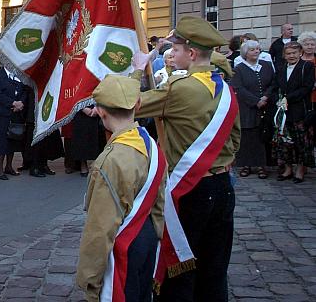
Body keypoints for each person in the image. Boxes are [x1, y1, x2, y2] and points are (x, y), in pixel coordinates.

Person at [132, 16, 240, 302]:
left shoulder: (179, 89)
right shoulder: (226, 90)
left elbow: (130, 104)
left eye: (176, 49)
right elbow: (236, 138)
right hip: (223, 186)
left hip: (191, 189)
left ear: (191, 53)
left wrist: (135, 70)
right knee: (215, 267)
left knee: (180, 266)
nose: (173, 53)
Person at [77, 75, 165, 302]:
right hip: (147, 238)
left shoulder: (110, 160)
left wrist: (89, 278)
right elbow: (159, 202)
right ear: (137, 105)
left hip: (124, 247)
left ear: (101, 112)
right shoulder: (151, 144)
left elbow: (100, 226)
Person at [231, 40, 275, 179]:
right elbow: (238, 87)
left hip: (265, 106)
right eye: (252, 50)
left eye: (257, 49)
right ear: (245, 53)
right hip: (247, 107)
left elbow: (273, 83)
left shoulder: (266, 66)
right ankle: (246, 165)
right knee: (247, 136)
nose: (256, 51)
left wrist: (265, 97)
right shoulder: (239, 69)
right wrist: (255, 101)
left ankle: (262, 165)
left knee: (262, 137)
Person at [272, 41, 315, 183]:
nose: (291, 56)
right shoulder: (280, 68)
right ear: (284, 55)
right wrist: (277, 99)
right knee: (284, 141)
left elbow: (307, 87)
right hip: (283, 111)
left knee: (301, 141)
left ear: (300, 53)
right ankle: (288, 168)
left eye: (294, 53)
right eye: (288, 53)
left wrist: (288, 98)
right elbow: (276, 86)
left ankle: (300, 169)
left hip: (299, 109)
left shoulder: (307, 66)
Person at [0, 65, 28, 180]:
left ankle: (9, 166)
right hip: (2, 114)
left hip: (15, 113)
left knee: (12, 140)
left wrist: (21, 102)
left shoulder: (19, 74)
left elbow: (25, 90)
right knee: (1, 141)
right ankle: (0, 169)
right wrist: (13, 103)